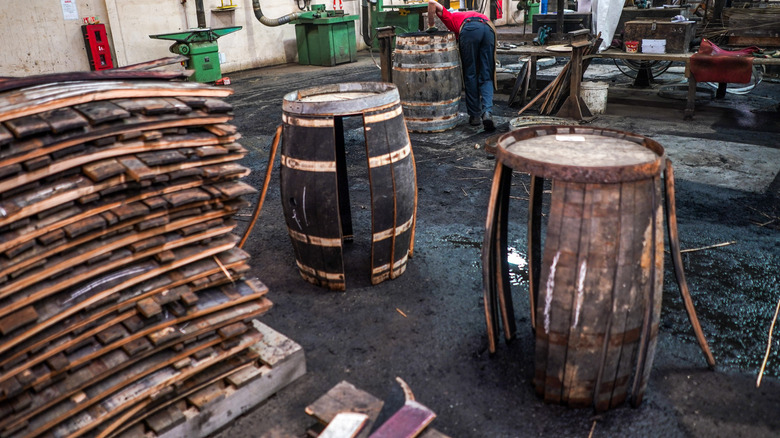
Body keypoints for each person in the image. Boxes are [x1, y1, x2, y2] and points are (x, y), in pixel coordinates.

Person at [427, 0, 496, 131]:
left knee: (470, 74)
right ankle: (487, 112)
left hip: (470, 29)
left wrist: (431, 25)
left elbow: (431, 2)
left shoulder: (450, 17)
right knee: (486, 74)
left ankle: (475, 116)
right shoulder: (468, 14)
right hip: (488, 28)